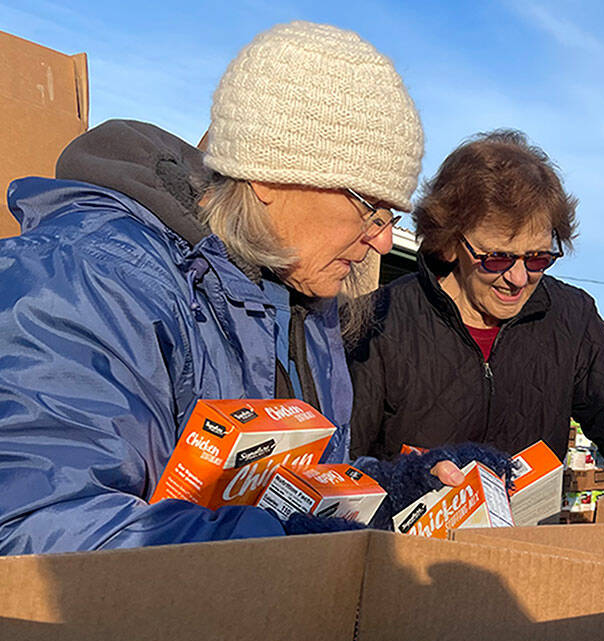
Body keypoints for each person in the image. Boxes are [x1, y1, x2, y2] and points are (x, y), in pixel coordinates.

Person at [0, 21, 465, 554]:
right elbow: (32, 532)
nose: (383, 243)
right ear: (268, 176)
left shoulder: (301, 302)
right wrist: (281, 549)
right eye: (370, 208)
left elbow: (289, 483)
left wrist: (392, 494)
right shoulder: (88, 280)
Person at [347, 130, 604, 513]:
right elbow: (343, 466)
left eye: (538, 258)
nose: (519, 278)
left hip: (525, 554)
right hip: (404, 555)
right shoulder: (380, 321)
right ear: (449, 241)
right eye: (497, 258)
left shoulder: (569, 315)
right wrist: (410, 480)